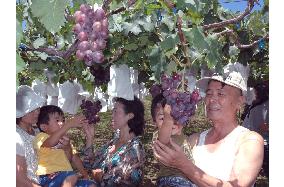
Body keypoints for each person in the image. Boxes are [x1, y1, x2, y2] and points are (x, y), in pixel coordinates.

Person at [153, 62, 264, 187]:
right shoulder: (195, 139)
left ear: (240, 101)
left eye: (220, 93)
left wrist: (185, 165)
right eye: (209, 93)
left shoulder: (250, 141)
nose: (211, 99)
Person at [81, 96, 146, 187]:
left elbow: (125, 182)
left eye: (115, 111)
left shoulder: (135, 148)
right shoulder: (112, 143)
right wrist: (90, 138)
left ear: (130, 116)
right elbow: (88, 165)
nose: (112, 115)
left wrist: (97, 175)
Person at [34, 105, 96, 187]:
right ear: (44, 127)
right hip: (48, 177)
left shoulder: (65, 140)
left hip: (65, 178)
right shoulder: (42, 137)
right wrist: (68, 125)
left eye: (63, 120)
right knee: (72, 176)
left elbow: (72, 159)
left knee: (90, 185)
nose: (62, 123)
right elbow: (50, 143)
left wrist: (85, 175)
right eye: (57, 120)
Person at [151, 93, 194, 187]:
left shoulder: (185, 138)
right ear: (154, 122)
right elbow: (164, 135)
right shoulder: (162, 137)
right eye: (163, 118)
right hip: (171, 181)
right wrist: (168, 119)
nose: (172, 121)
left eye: (176, 116)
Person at [16, 85, 46, 187]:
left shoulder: (37, 131)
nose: (37, 112)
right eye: (32, 110)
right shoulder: (16, 136)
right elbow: (18, 178)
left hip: (44, 179)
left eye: (37, 109)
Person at [242, 82, 269, 178]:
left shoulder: (266, 106)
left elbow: (266, 126)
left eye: (255, 93)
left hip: (261, 143)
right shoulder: (255, 105)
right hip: (249, 140)